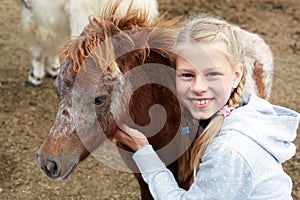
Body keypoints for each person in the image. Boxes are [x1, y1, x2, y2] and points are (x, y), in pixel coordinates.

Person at [113, 14, 300, 199]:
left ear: (236, 76)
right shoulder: (240, 110)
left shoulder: (230, 149)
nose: (199, 88)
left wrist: (143, 151)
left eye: (212, 74)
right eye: (187, 75)